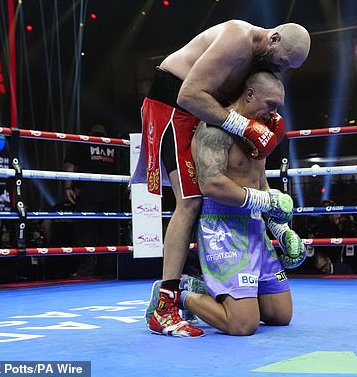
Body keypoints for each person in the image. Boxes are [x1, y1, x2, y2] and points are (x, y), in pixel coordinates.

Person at [133, 20, 311, 337]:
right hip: (173, 103)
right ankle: (166, 303)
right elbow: (189, 94)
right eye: (282, 61)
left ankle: (209, 287)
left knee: (200, 198)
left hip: (198, 110)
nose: (280, 69)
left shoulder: (256, 66)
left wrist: (278, 227)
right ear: (275, 37)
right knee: (189, 202)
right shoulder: (238, 39)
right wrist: (243, 127)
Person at [63, 124, 121, 278]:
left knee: (86, 228)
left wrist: (67, 187)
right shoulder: (113, 144)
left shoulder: (83, 142)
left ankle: (87, 270)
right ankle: (111, 270)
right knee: (110, 230)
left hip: (89, 191)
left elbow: (70, 165)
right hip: (111, 191)